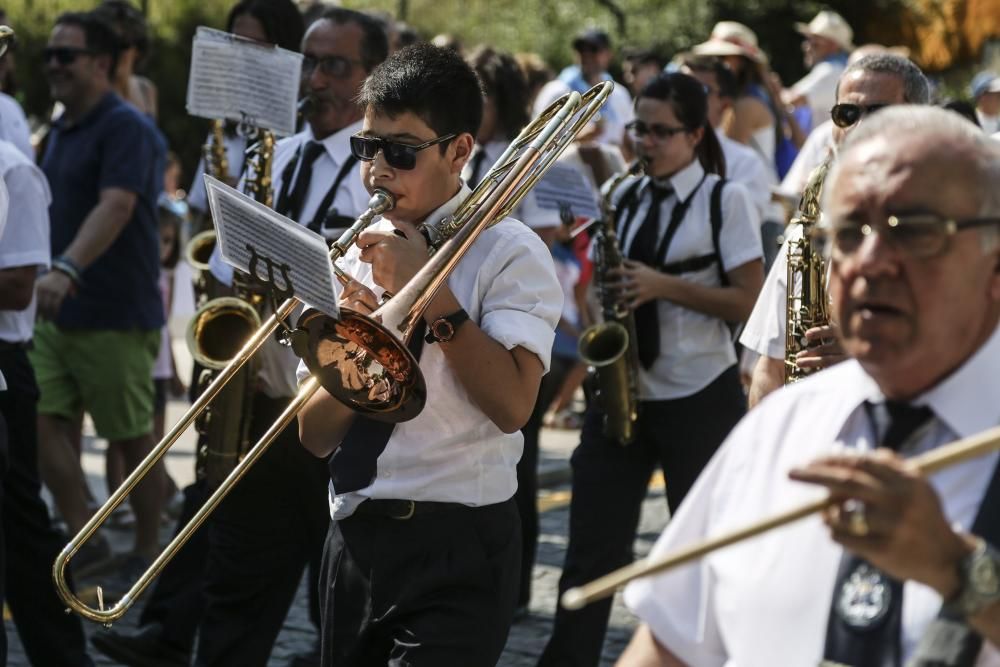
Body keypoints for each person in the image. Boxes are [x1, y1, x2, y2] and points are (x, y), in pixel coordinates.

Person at [619, 104, 1000, 667]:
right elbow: (669, 645)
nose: (869, 262)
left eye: (914, 231)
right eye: (847, 233)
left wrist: (961, 573)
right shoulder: (781, 429)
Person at [92, 7, 380, 667]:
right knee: (234, 595)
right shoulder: (273, 154)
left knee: (342, 607)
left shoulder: (380, 168)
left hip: (336, 414)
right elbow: (224, 263)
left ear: (371, 77)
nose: (316, 79)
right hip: (258, 403)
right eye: (308, 62)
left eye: (336, 65)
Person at [296, 41, 562, 666]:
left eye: (401, 152)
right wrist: (349, 337)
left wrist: (432, 296)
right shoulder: (357, 251)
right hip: (357, 533)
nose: (377, 170)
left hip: (458, 536)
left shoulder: (509, 252)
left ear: (459, 150)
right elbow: (313, 434)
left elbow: (512, 405)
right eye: (368, 148)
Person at [536, 72, 764, 667]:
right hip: (625, 389)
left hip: (700, 395)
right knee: (591, 550)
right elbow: (597, 284)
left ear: (694, 134)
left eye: (662, 132)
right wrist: (595, 307)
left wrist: (662, 286)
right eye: (639, 127)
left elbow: (748, 301)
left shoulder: (725, 199)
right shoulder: (619, 194)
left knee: (704, 552)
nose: (645, 141)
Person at [32, 9, 167, 578]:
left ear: (102, 63)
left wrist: (66, 267)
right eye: (50, 55)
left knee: (132, 441)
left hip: (113, 312)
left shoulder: (126, 127)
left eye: (67, 55)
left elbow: (117, 204)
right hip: (53, 312)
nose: (54, 66)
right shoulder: (60, 126)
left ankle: (148, 551)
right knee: (35, 423)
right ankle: (85, 535)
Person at [741, 54, 931, 407]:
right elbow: (769, 369)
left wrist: (873, 358)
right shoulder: (811, 221)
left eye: (879, 113)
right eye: (848, 115)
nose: (859, 129)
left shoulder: (960, 218)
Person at [465, 44, 563, 619]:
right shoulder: (466, 155)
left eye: (480, 92)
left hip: (513, 307)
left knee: (517, 462)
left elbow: (545, 236)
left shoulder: (522, 158)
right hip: (466, 315)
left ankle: (516, 588)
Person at [0, 135, 96, 667]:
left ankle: (62, 655)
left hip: (4, 365)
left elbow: (17, 285)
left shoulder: (13, 172)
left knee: (22, 530)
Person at [533, 28, 634, 151]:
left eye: (594, 49)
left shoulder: (619, 94)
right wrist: (577, 139)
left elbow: (629, 141)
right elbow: (536, 145)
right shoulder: (557, 92)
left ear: (608, 54)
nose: (587, 55)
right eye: (581, 49)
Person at [783, 10, 854, 132]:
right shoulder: (838, 68)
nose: (806, 45)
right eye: (808, 39)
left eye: (815, 41)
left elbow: (790, 100)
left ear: (833, 45)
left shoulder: (830, 70)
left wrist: (769, 87)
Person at [93, 0, 157, 119]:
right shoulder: (88, 92)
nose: (114, 52)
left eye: (123, 44)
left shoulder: (146, 89)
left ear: (137, 49)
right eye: (108, 43)